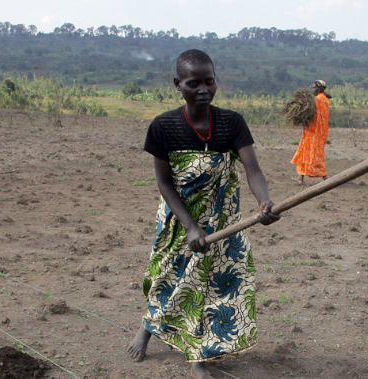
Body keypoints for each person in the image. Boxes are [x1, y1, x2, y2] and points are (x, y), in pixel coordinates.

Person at [127, 49, 281, 379]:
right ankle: (148, 327)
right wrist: (191, 227)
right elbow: (164, 184)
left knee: (218, 287)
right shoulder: (163, 126)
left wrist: (265, 202)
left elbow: (253, 169)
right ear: (177, 84)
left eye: (209, 81)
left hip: (225, 222)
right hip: (180, 221)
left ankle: (200, 357)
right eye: (193, 82)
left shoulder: (231, 122)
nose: (203, 89)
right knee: (169, 280)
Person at [291, 80, 330, 185]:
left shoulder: (320, 99)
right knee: (304, 152)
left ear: (320, 89)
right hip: (311, 131)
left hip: (316, 133)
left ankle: (326, 178)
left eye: (315, 88)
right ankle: (301, 178)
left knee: (316, 155)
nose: (313, 90)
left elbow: (309, 107)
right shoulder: (322, 99)